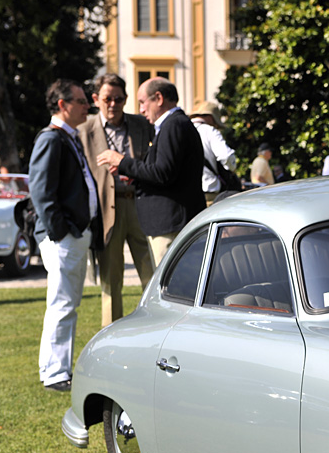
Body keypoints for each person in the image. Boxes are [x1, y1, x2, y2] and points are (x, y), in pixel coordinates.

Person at [29, 79, 98, 391]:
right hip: (63, 237)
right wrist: (62, 233)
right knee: (62, 304)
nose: (87, 106)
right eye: (81, 101)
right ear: (63, 104)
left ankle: (57, 369)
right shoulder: (52, 139)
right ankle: (55, 373)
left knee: (67, 303)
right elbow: (42, 193)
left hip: (73, 233)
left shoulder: (68, 137)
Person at [96, 77, 206, 266]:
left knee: (173, 288)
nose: (141, 110)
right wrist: (134, 175)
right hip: (171, 222)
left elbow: (162, 173)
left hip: (171, 225)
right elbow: (165, 172)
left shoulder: (173, 125)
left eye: (142, 102)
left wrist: (122, 161)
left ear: (159, 98)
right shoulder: (174, 124)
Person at [78, 73, 155, 326]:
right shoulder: (84, 131)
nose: (113, 104)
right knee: (111, 282)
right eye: (107, 99)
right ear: (96, 99)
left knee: (153, 274)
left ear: (126, 99)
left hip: (140, 204)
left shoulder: (142, 125)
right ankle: (111, 341)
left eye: (118, 99)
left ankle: (156, 331)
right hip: (105, 211)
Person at [189, 100, 237, 204]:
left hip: (187, 193)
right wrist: (232, 169)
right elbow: (226, 156)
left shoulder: (180, 129)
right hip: (209, 193)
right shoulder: (209, 131)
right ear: (211, 118)